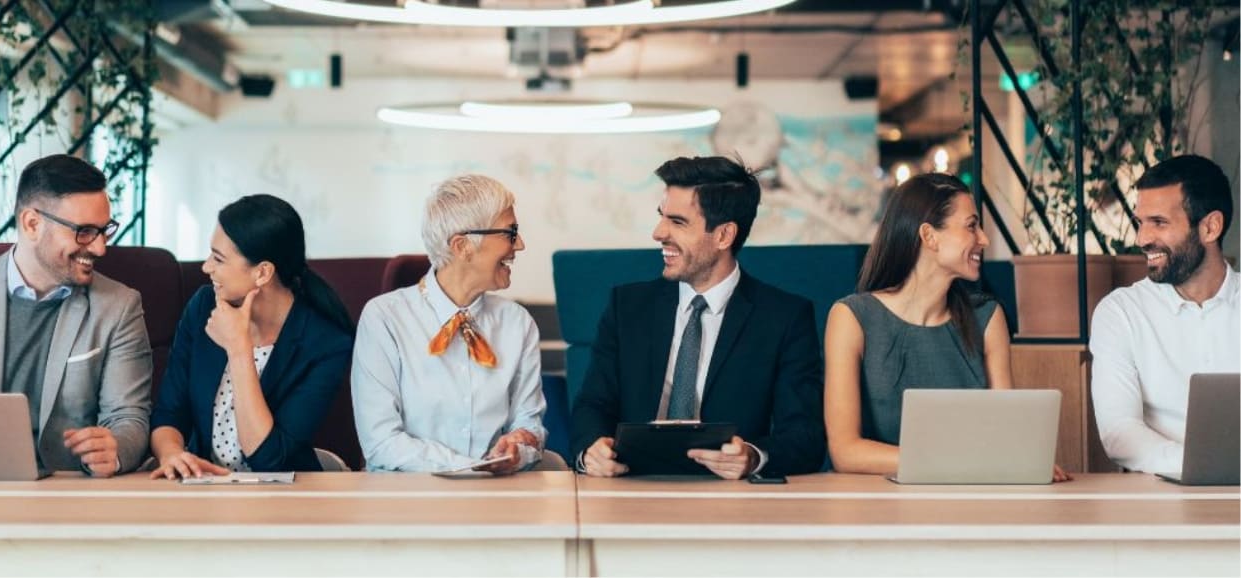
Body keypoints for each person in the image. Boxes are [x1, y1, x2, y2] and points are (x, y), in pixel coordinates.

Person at [571, 155, 825, 479]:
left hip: (731, 500)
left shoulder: (784, 317)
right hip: (629, 487)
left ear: (723, 236)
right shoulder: (627, 306)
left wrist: (754, 457)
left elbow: (805, 436)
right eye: (662, 217)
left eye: (677, 222)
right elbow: (592, 405)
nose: (658, 232)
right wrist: (590, 452)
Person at [822, 173, 1067, 481]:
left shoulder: (988, 318)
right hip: (878, 504)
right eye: (971, 226)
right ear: (929, 236)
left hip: (969, 503)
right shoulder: (852, 317)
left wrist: (1023, 461)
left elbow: (1007, 441)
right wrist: (961, 462)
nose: (984, 239)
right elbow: (845, 452)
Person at [0, 154, 151, 476]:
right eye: (84, 231)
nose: (99, 248)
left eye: (104, 230)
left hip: (67, 490)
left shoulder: (119, 307)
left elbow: (129, 417)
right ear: (32, 224)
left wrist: (116, 447)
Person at [149, 195, 354, 479]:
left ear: (263, 272)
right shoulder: (204, 307)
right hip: (202, 488)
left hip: (284, 498)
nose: (206, 267)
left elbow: (270, 459)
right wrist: (172, 454)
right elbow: (169, 413)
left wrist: (238, 348)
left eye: (218, 259)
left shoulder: (327, 343)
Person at [353, 175, 546, 474]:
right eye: (511, 232)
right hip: (405, 504)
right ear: (462, 245)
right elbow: (381, 442)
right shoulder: (384, 318)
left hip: (497, 500)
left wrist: (521, 444)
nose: (519, 244)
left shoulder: (518, 323)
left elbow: (530, 423)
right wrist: (473, 467)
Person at [1091, 155, 1239, 474]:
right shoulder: (1121, 314)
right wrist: (1195, 465)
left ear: (1210, 227)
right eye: (1140, 222)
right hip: (1162, 499)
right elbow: (1119, 433)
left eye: (1159, 222)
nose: (1142, 239)